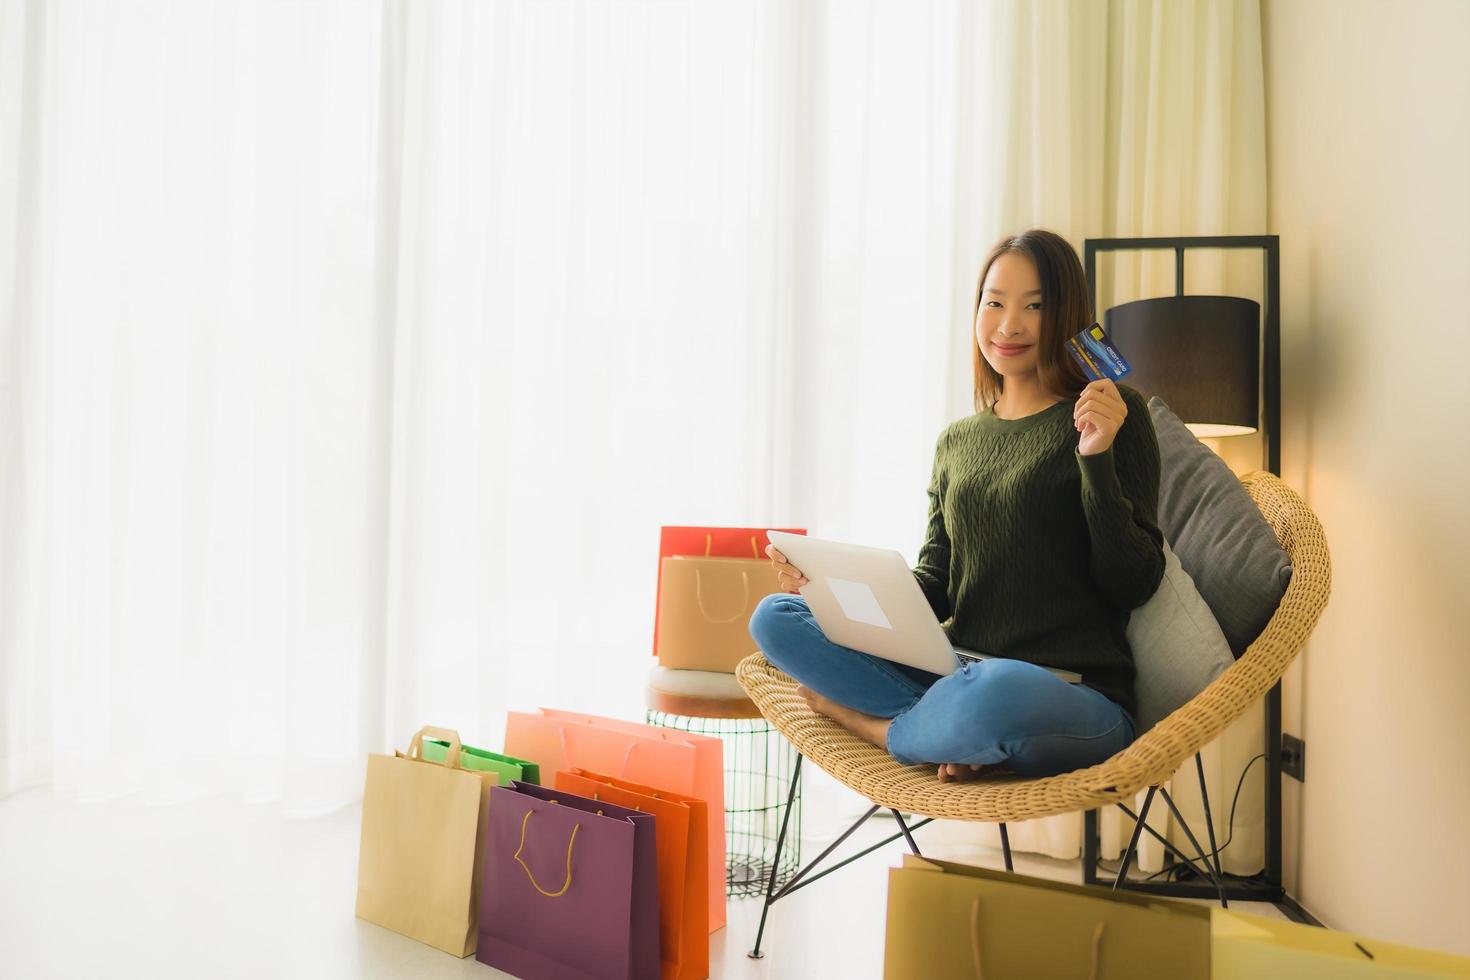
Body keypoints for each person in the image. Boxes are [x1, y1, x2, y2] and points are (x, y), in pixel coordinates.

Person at [748, 228, 1165, 782]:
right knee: (777, 618)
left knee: (997, 691)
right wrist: (829, 592)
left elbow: (1133, 582)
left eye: (1034, 306)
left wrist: (1095, 458)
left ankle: (875, 725)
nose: (1008, 325)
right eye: (994, 303)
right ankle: (951, 731)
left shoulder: (1116, 416)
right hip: (958, 671)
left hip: (1068, 695)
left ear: (1067, 316)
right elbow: (937, 584)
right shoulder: (957, 441)